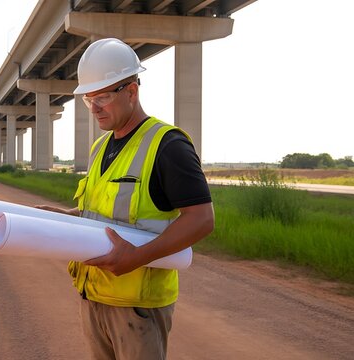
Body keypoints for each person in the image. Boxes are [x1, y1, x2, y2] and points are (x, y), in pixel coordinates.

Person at [36, 38, 214, 360]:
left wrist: (137, 257)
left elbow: (201, 219)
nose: (95, 108)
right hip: (93, 297)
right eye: (89, 99)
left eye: (102, 97)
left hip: (137, 307)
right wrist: (63, 216)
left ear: (131, 91)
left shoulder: (167, 145)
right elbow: (100, 214)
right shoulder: (101, 147)